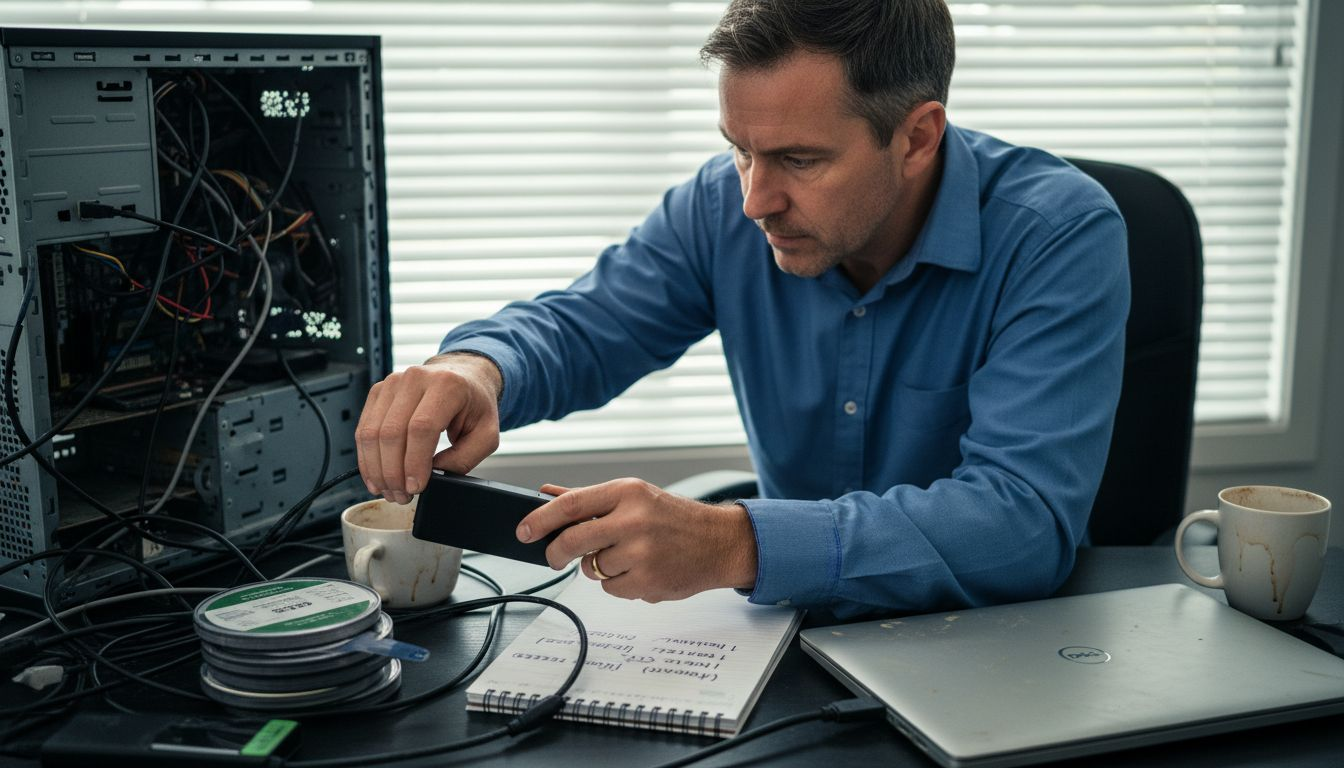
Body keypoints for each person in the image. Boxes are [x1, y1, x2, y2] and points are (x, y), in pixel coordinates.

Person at [356, 0, 1129, 620]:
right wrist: (478, 369)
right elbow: (587, 326)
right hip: (786, 636)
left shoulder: (1057, 234)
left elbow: (1021, 525)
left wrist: (734, 545)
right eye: (741, 149)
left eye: (800, 159)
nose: (756, 200)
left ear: (918, 137)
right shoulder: (719, 206)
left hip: (989, 647)